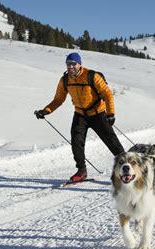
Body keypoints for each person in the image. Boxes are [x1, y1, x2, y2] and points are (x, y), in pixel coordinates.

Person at [34, 52, 125, 182]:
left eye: (73, 64)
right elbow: (58, 99)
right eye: (68, 64)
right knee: (76, 141)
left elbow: (107, 94)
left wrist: (110, 114)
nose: (70, 67)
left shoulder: (91, 76)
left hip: (97, 113)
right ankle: (81, 170)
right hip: (80, 114)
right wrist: (46, 111)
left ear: (79, 64)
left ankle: (125, 165)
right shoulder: (65, 80)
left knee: (110, 139)